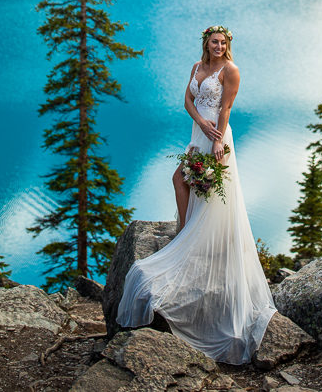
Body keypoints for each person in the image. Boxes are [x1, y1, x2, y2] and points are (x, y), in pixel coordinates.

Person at [116, 25, 276, 364]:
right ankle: (188, 231)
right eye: (214, 42)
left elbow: (226, 108)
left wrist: (216, 138)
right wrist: (199, 124)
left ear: (227, 45)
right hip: (198, 132)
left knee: (200, 183)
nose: (218, 46)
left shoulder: (230, 70)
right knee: (182, 180)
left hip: (216, 137)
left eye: (223, 42)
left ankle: (192, 235)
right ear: (206, 43)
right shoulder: (196, 67)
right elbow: (188, 100)